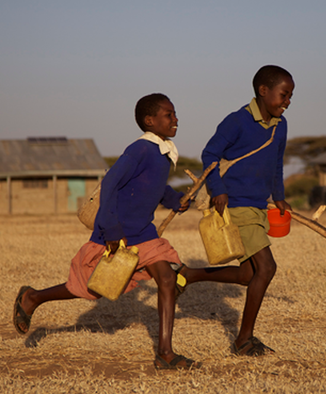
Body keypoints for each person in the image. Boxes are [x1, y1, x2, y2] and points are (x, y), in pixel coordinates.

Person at [12, 93, 199, 370]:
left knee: (168, 280)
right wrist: (111, 228)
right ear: (150, 121)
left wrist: (175, 200)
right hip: (117, 233)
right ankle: (33, 297)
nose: (176, 119)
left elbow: (154, 188)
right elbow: (111, 183)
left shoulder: (162, 152)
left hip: (145, 234)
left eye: (175, 113)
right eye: (169, 114)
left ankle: (165, 353)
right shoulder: (141, 149)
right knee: (90, 288)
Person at [180, 65, 294, 356]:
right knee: (267, 269)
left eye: (291, 96)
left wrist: (279, 197)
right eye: (283, 95)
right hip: (237, 206)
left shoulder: (280, 127)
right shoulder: (237, 121)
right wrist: (217, 189)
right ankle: (244, 340)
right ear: (263, 91)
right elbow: (210, 154)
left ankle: (189, 275)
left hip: (257, 207)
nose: (287, 101)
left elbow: (277, 164)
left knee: (247, 275)